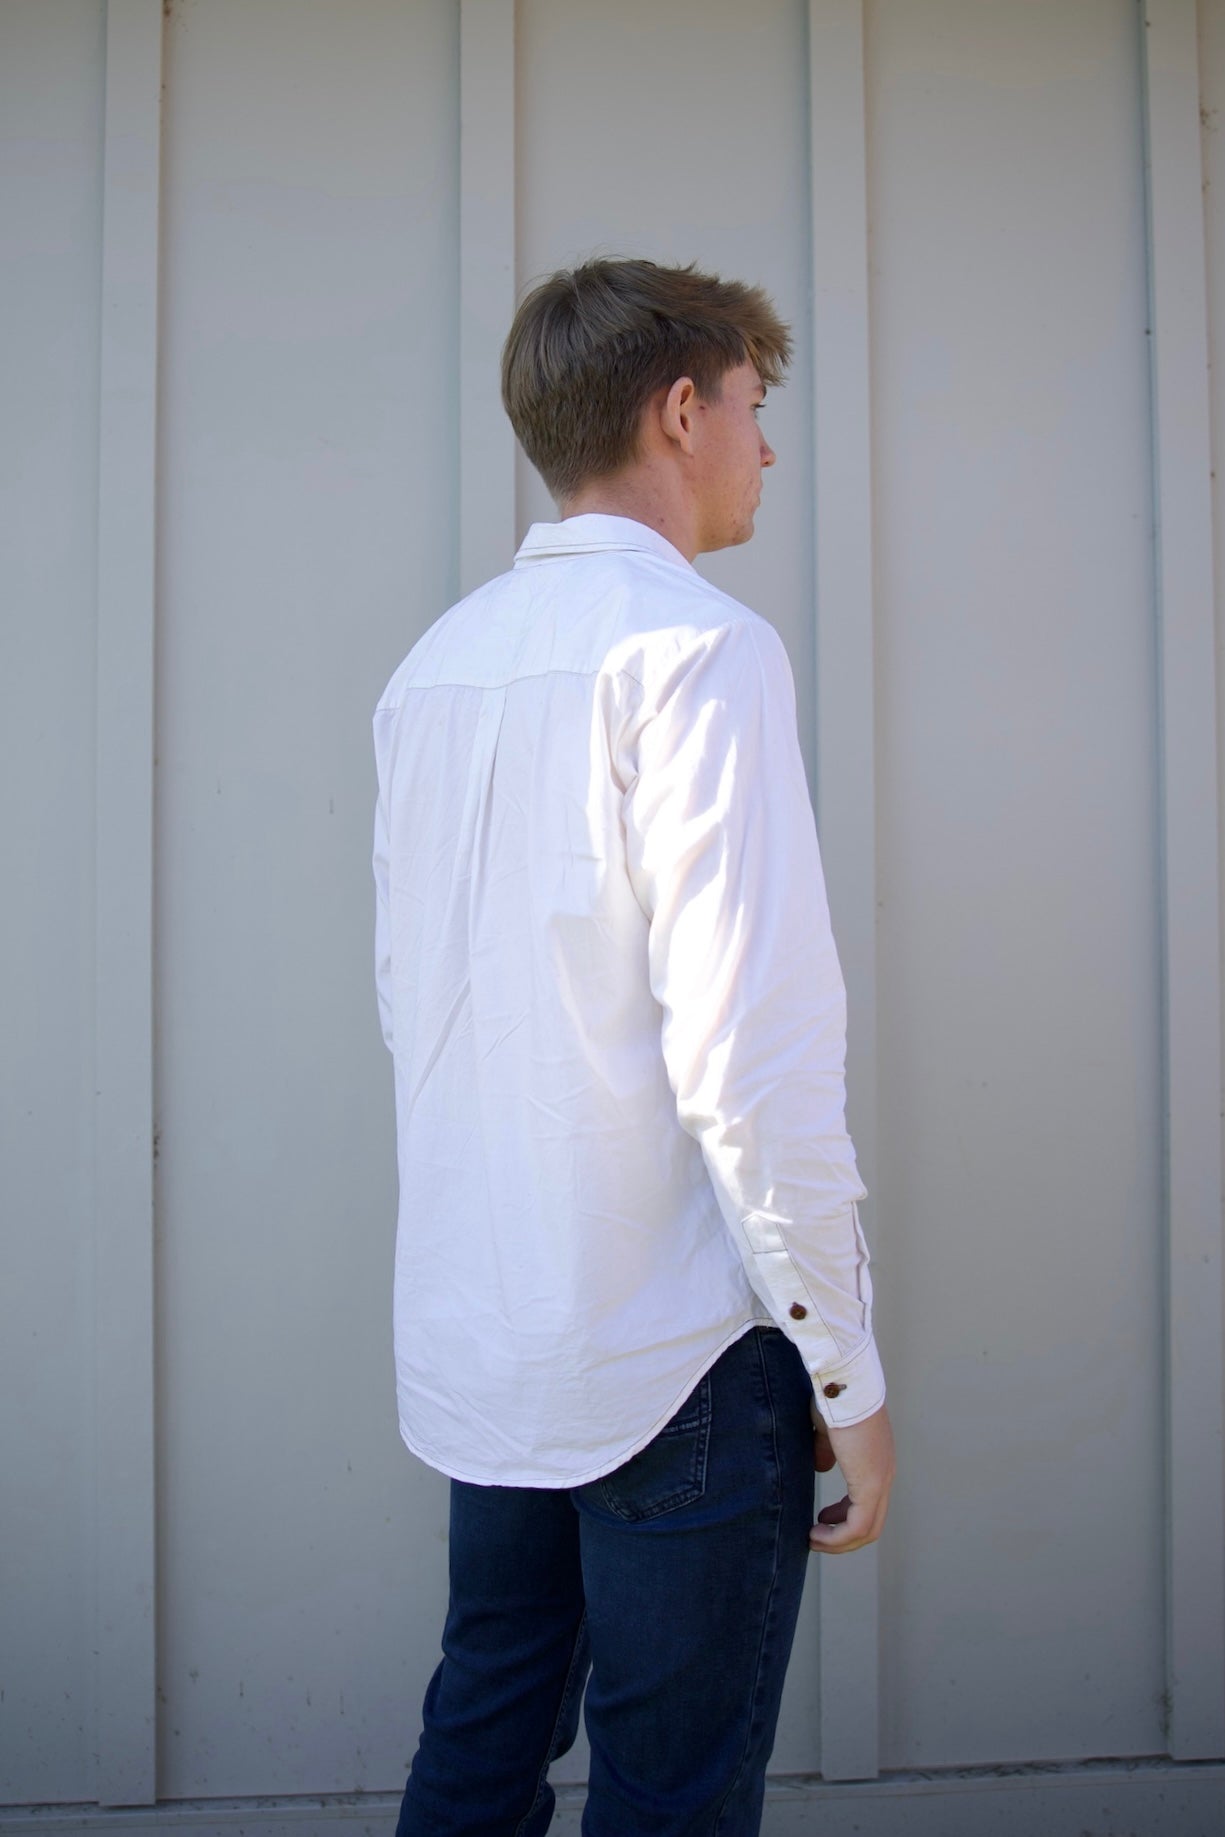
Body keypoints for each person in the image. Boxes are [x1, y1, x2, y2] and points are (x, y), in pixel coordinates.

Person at [372, 257, 894, 1837]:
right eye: (752, 406)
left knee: (478, 1734)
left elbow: (422, 1013)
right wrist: (841, 1359)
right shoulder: (697, 650)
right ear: (680, 409)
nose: (765, 447)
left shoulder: (433, 667)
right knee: (670, 1795)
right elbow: (754, 1052)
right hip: (674, 1347)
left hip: (495, 1334)